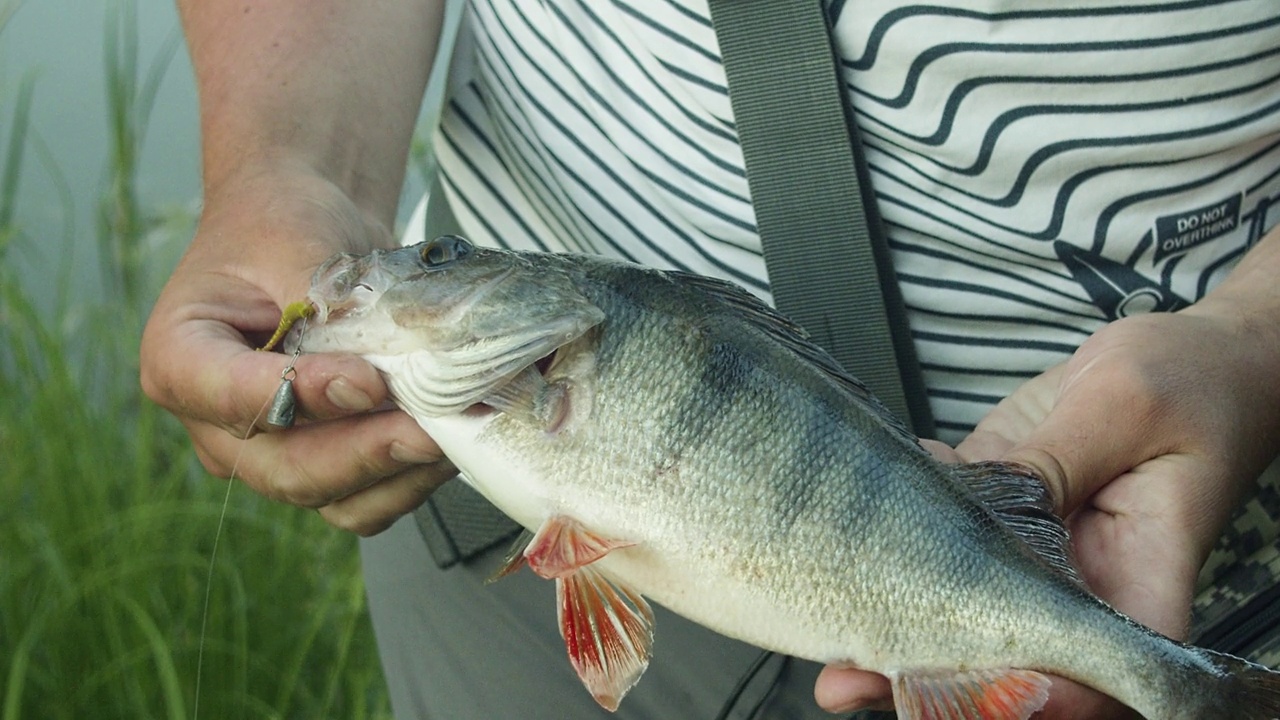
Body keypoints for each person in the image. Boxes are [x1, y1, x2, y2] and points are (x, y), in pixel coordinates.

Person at [140, 1, 1280, 717]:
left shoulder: (551, 365)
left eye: (440, 260)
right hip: (481, 580)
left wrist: (1252, 343)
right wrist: (284, 163)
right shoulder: (493, 391)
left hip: (1171, 527)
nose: (413, 267)